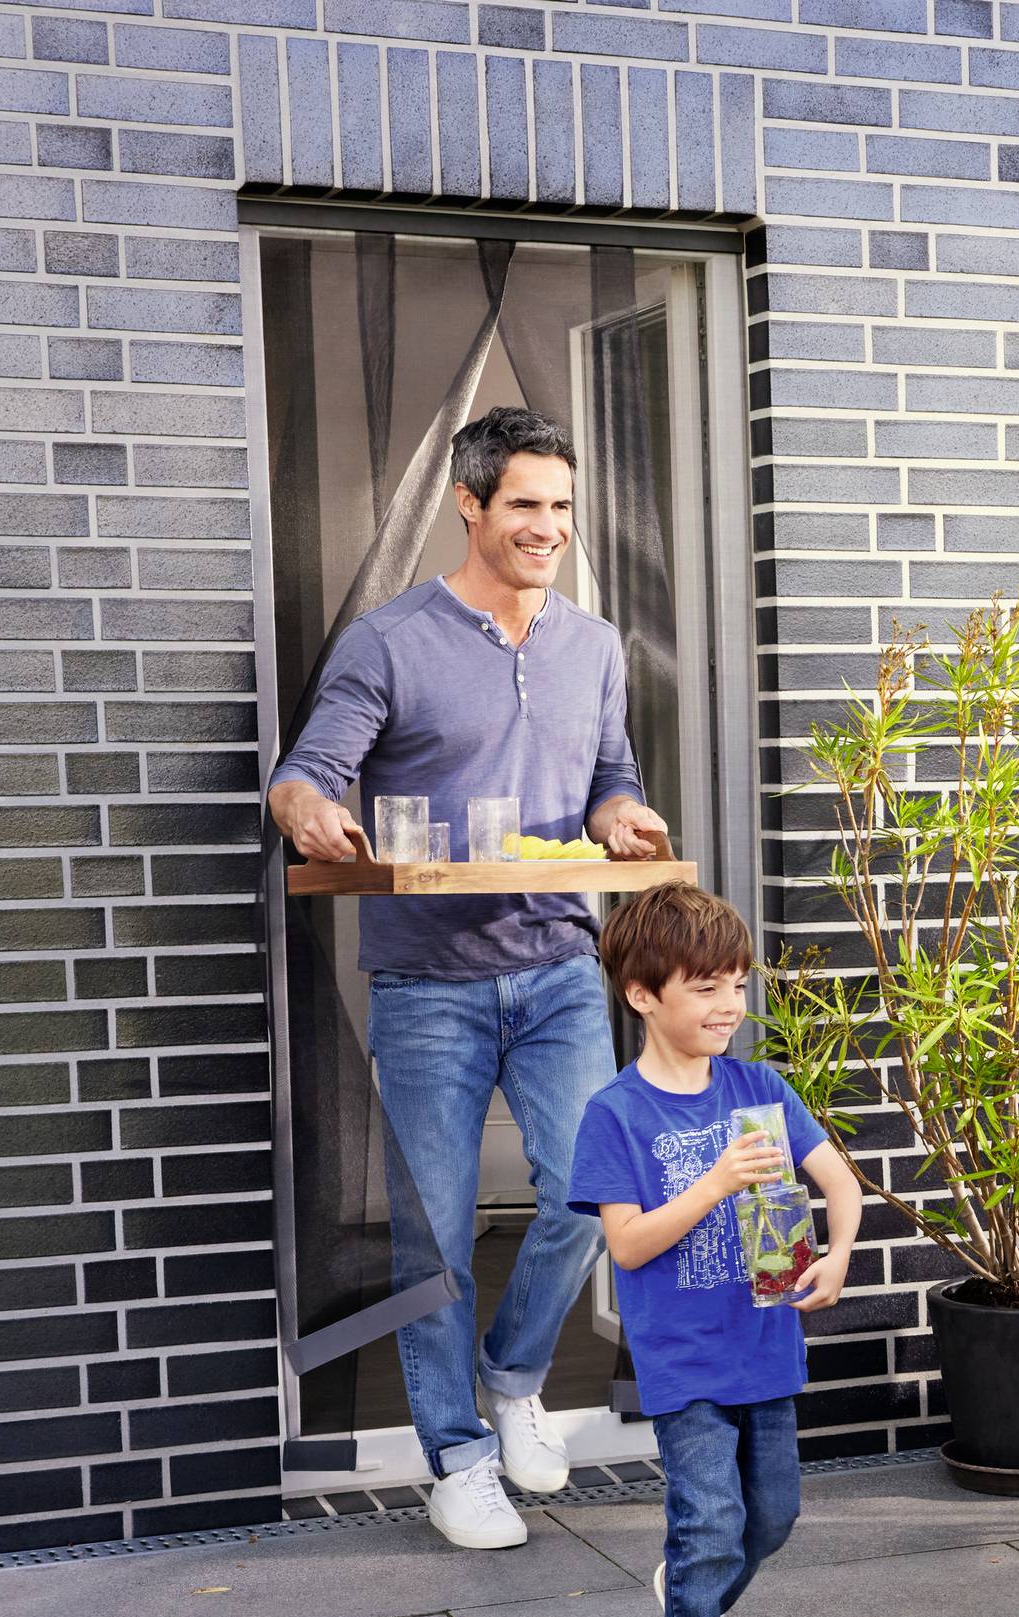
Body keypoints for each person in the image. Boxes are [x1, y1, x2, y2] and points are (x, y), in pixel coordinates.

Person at [266, 406, 673, 1550]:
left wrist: (623, 814)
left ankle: (515, 1378)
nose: (548, 527)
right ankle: (455, 1456)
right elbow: (309, 774)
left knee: (588, 1195)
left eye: (560, 507)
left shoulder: (594, 646)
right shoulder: (390, 641)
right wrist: (307, 810)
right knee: (435, 1236)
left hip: (556, 967)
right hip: (429, 987)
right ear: (471, 502)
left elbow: (610, 776)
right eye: (526, 506)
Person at [569, 883, 863, 1617]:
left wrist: (841, 1254)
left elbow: (841, 1184)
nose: (729, 1005)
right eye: (705, 987)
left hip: (765, 1343)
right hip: (682, 1358)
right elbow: (627, 1242)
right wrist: (713, 1184)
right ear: (643, 994)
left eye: (736, 983)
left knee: (768, 1517)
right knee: (708, 1525)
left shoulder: (758, 1087)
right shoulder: (617, 1114)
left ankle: (689, 1596)